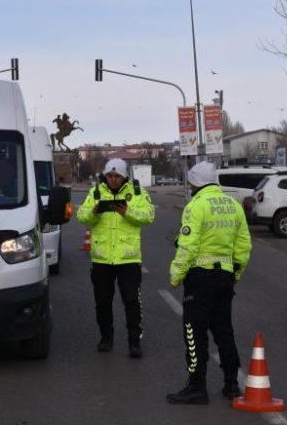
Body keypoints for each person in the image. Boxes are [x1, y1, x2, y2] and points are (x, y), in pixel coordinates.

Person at [166, 161, 251, 405]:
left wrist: (176, 275)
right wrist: (235, 273)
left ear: (197, 183)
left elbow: (188, 246)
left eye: (191, 182)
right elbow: (243, 245)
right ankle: (232, 384)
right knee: (224, 331)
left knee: (194, 332)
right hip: (224, 277)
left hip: (200, 278)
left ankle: (196, 386)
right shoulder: (233, 205)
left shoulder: (196, 205)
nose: (189, 186)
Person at [76, 158, 155, 358]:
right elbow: (82, 216)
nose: (113, 180)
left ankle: (134, 342)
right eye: (110, 176)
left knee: (131, 302)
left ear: (124, 176)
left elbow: (148, 216)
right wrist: (94, 211)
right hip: (102, 259)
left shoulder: (137, 193)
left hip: (128, 260)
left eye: (117, 176)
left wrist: (127, 211)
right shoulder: (95, 193)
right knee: (102, 301)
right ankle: (106, 337)